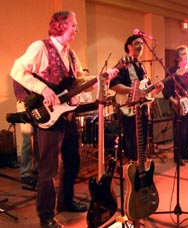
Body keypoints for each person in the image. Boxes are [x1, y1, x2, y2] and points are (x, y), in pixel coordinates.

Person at [10, 11, 118, 228]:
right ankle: (45, 215)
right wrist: (43, 89)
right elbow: (17, 70)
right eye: (73, 25)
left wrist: (99, 80)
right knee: (48, 168)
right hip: (49, 114)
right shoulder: (40, 48)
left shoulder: (70, 53)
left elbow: (78, 79)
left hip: (67, 114)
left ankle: (65, 202)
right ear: (60, 26)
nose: (76, 30)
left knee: (73, 161)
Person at [109, 34, 164, 162]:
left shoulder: (142, 66)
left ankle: (141, 169)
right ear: (129, 46)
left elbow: (146, 89)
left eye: (142, 44)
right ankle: (133, 170)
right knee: (133, 143)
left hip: (142, 109)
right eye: (137, 44)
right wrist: (132, 90)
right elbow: (114, 85)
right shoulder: (123, 64)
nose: (140, 46)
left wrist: (156, 89)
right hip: (129, 109)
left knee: (142, 143)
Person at [13, 81, 38, 186]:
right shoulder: (20, 69)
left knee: (39, 138)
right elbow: (19, 92)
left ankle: (37, 168)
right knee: (28, 139)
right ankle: (25, 173)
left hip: (37, 104)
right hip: (24, 105)